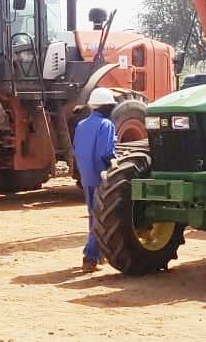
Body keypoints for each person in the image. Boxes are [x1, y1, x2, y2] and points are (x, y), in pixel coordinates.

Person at [73, 87, 118, 272]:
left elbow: (76, 149)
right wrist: (114, 163)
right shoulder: (106, 125)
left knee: (94, 215)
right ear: (107, 107)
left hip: (86, 176)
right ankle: (90, 257)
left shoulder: (81, 125)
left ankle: (98, 255)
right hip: (101, 176)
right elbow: (105, 152)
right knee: (100, 217)